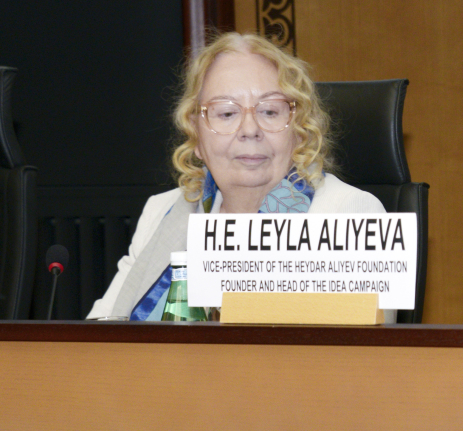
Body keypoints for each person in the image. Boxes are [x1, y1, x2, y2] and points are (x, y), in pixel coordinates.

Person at [88, 32, 386, 321]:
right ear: (196, 134)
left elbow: (364, 345)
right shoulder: (163, 211)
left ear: (299, 130)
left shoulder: (351, 213)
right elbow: (100, 334)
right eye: (226, 113)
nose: (250, 130)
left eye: (270, 111)